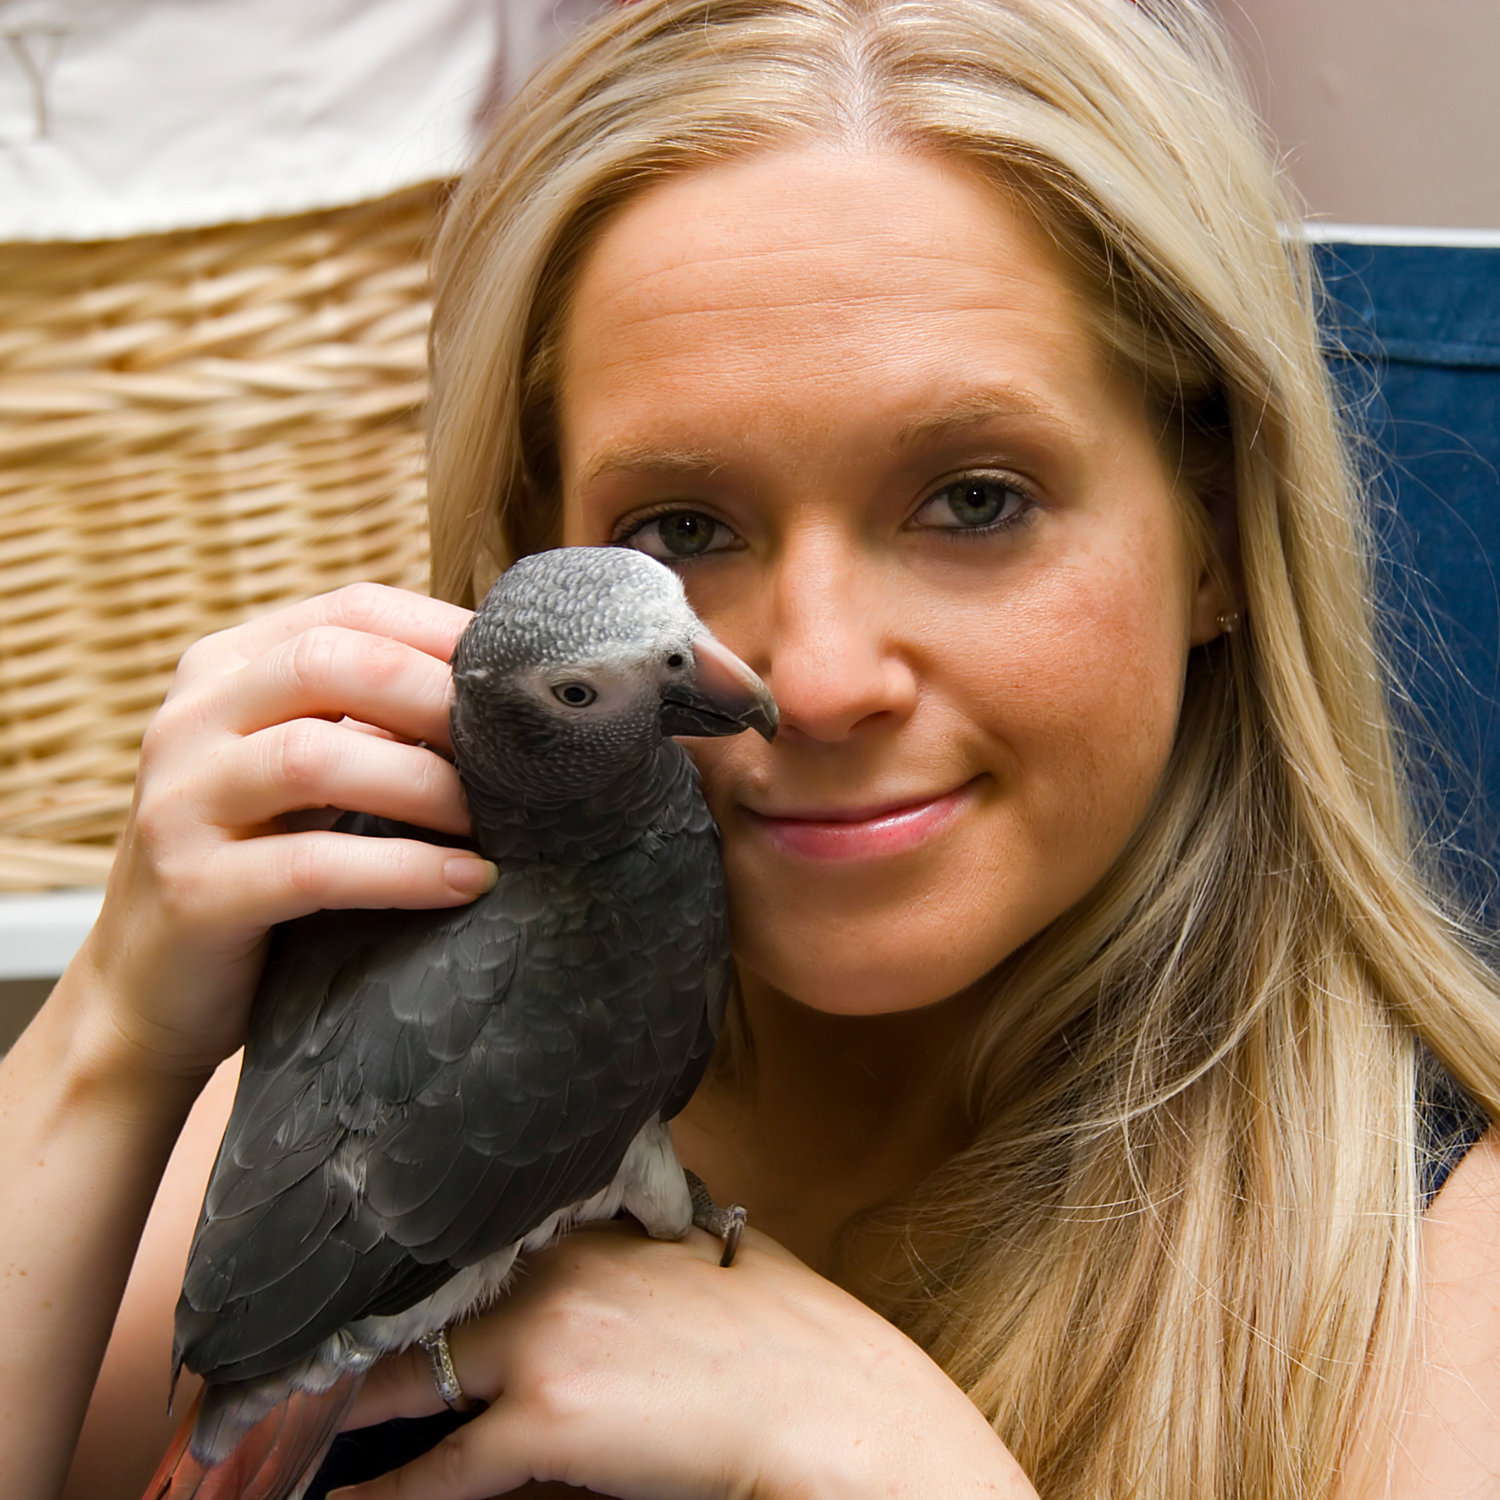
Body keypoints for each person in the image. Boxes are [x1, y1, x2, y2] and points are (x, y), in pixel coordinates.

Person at [5, 0, 1500, 1495]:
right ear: (530, 570)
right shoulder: (354, 1108)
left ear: (1219, 534)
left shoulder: (1447, 1276)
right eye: (683, 529)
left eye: (976, 499)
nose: (822, 681)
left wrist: (886, 1457)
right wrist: (111, 1036)